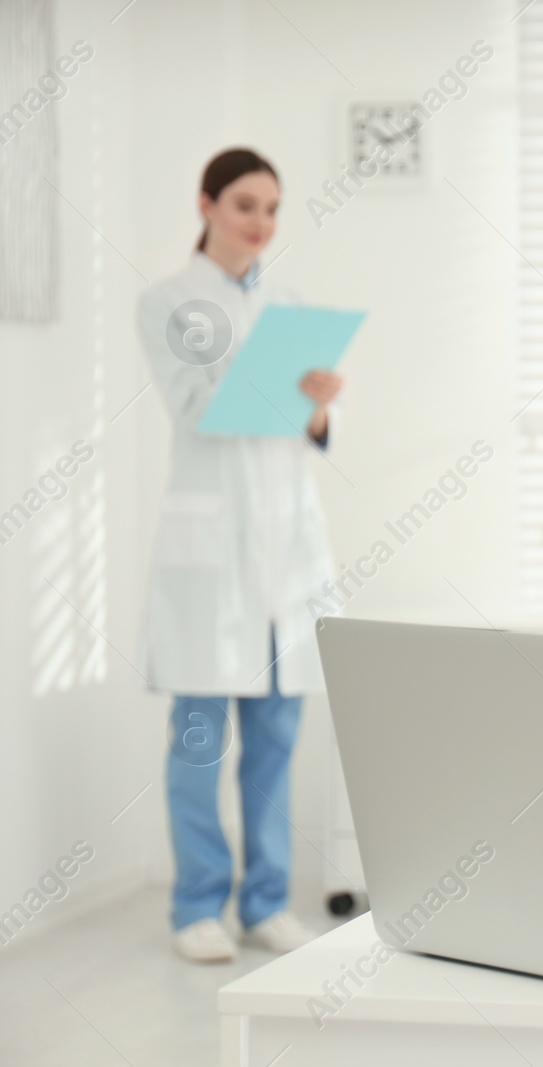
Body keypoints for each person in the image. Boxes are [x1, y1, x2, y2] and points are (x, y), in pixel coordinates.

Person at [135, 148, 344, 963]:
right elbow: (197, 407)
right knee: (198, 739)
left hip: (284, 556)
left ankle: (264, 902)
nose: (260, 222)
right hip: (210, 561)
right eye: (245, 205)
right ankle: (197, 905)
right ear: (207, 204)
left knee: (275, 739)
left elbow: (303, 433)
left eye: (272, 208)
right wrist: (281, 388)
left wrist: (318, 409)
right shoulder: (168, 301)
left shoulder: (289, 305)